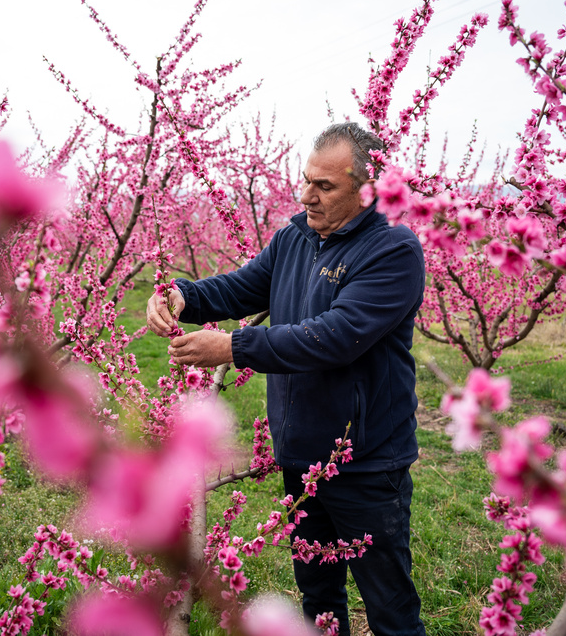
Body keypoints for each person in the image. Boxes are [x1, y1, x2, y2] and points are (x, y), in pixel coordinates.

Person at [146, 122, 426, 636]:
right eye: (306, 181)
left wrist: (233, 346)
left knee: (389, 606)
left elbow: (335, 337)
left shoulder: (393, 250)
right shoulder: (295, 237)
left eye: (325, 186)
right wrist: (182, 296)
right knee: (317, 596)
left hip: (365, 462)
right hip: (300, 453)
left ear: (367, 191)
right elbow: (240, 288)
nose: (307, 196)